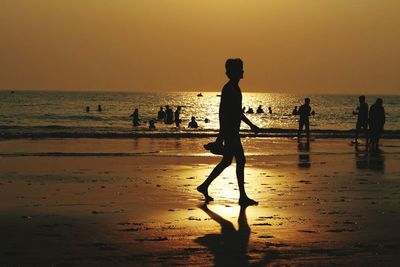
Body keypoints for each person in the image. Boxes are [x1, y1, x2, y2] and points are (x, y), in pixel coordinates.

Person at [197, 58, 259, 206]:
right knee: (240, 161)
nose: (243, 71)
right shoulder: (229, 89)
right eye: (240, 68)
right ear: (233, 72)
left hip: (232, 132)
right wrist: (222, 137)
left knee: (226, 161)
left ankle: (204, 186)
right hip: (230, 132)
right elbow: (225, 113)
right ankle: (242, 197)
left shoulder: (235, 88)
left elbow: (235, 112)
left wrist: (250, 126)